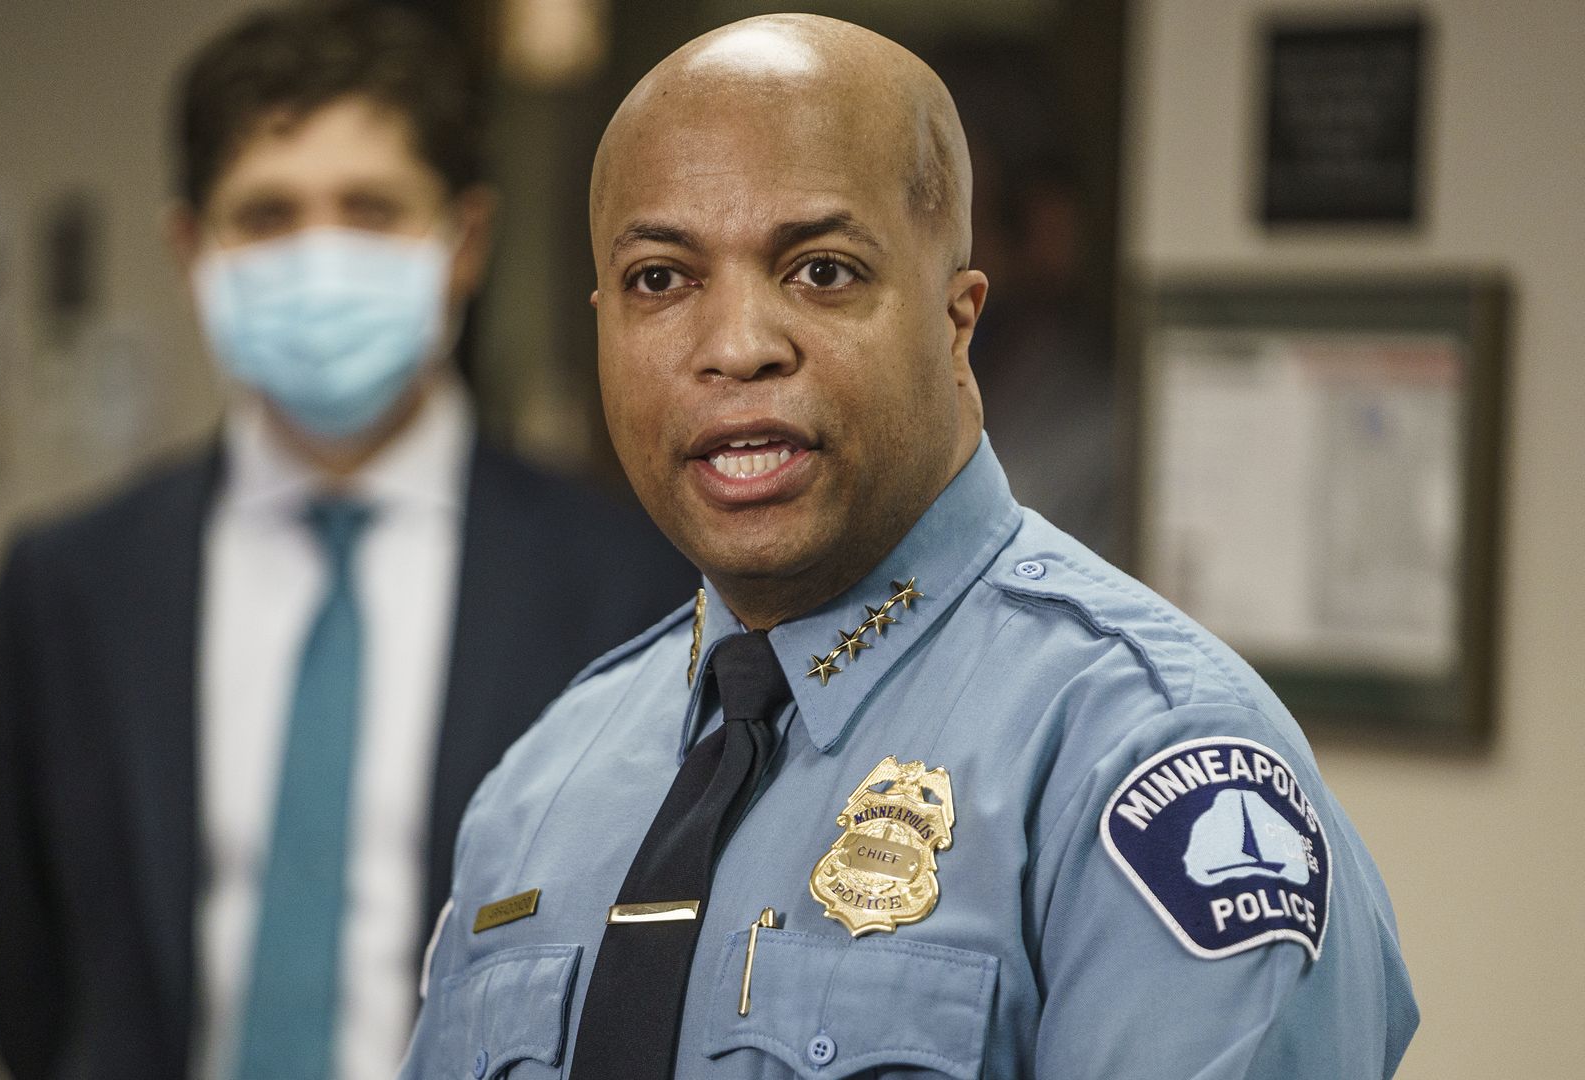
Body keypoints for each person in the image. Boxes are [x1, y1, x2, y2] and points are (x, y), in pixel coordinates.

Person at [402, 14, 1417, 1079]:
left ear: (955, 318)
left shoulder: (1141, 762)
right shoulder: (541, 783)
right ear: (604, 319)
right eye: (663, 279)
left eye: (822, 271)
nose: (738, 345)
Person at [0, 6, 694, 1080]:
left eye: (370, 209)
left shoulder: (631, 586)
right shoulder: (68, 589)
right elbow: (33, 992)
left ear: (466, 242)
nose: (320, 255)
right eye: (267, 215)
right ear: (190, 249)